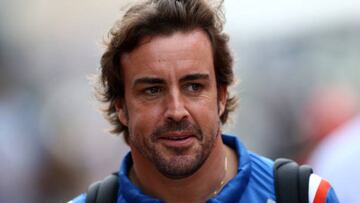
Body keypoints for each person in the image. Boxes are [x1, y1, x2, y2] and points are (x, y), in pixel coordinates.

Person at [70, 0, 339, 202]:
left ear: (221, 96)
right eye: (152, 90)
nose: (176, 111)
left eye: (193, 86)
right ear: (121, 107)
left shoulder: (305, 196)